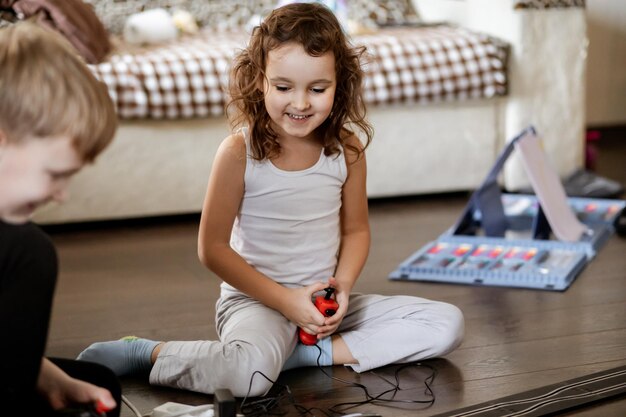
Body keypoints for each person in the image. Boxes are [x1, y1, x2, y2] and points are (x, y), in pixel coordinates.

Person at [77, 2, 464, 398]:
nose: (300, 103)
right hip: (256, 303)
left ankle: (300, 356)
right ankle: (149, 353)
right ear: (259, 80)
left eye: (317, 89)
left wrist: (342, 289)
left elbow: (357, 229)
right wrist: (285, 302)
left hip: (321, 307)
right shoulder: (237, 152)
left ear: (339, 85)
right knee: (248, 377)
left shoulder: (346, 149)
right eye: (283, 88)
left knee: (445, 323)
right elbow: (211, 249)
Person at [0, 21, 121, 416]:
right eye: (55, 174)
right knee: (30, 249)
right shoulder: (22, 250)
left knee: (99, 385)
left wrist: (50, 379)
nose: (61, 195)